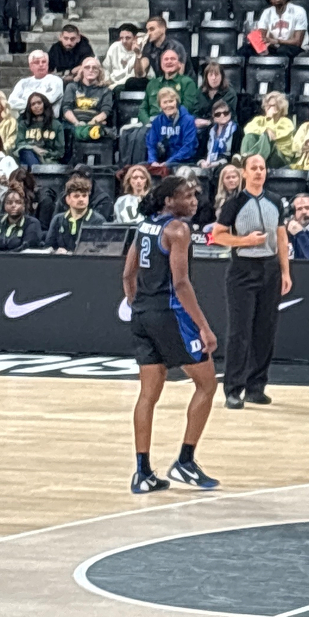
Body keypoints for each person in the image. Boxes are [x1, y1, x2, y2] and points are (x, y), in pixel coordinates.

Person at [121, 176, 219, 494]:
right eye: (187, 196)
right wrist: (204, 326)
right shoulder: (177, 230)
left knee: (148, 395)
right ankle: (185, 462)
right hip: (170, 314)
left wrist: (138, 305)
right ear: (168, 201)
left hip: (142, 314)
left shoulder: (144, 226)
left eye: (194, 196)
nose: (193, 201)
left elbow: (128, 275)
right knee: (207, 384)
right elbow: (181, 283)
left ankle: (142, 472)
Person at [207, 149, 291, 409]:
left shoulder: (275, 201)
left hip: (270, 269)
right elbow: (217, 235)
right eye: (253, 168)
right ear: (244, 173)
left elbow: (281, 237)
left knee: (265, 331)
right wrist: (245, 241)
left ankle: (256, 387)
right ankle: (233, 389)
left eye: (262, 168)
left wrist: (285, 271)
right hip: (243, 270)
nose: (258, 172)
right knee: (240, 332)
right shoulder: (234, 202)